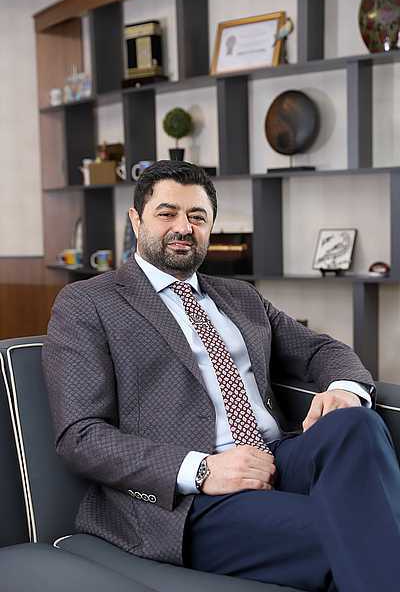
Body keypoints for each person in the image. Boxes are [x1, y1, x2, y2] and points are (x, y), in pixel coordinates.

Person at [43, 160, 400, 592]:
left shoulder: (240, 296)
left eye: (197, 216)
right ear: (136, 220)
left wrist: (343, 390)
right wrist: (202, 470)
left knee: (358, 421)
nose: (183, 227)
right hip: (187, 500)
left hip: (274, 456)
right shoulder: (88, 302)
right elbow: (80, 436)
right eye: (167, 213)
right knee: (356, 531)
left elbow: (321, 349)